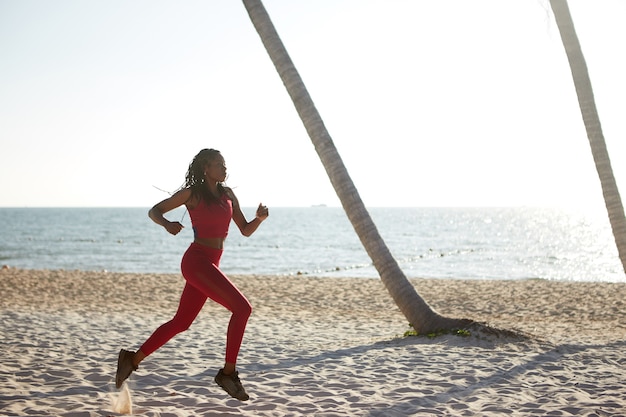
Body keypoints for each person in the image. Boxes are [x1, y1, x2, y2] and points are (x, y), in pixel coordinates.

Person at [115, 148, 269, 401]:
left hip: (211, 264)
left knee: (181, 322)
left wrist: (259, 219)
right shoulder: (192, 194)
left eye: (225, 164)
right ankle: (227, 374)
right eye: (219, 164)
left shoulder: (228, 194)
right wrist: (167, 224)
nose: (224, 168)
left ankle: (132, 359)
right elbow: (155, 211)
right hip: (197, 262)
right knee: (243, 309)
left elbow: (245, 230)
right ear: (206, 168)